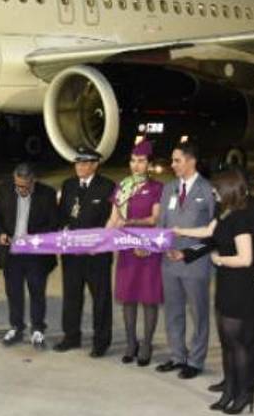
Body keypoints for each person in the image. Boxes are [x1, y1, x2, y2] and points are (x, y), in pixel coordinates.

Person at [178, 170, 254, 403]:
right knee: (230, 341)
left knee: (247, 341)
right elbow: (213, 237)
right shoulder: (225, 208)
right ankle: (231, 384)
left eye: (216, 190)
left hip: (248, 282)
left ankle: (248, 387)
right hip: (228, 280)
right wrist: (186, 252)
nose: (213, 195)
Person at [155, 141, 216, 380]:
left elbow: (214, 234)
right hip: (170, 262)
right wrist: (162, 247)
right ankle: (178, 356)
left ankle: (196, 360)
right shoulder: (169, 188)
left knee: (199, 313)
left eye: (177, 160)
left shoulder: (207, 190)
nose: (172, 165)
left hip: (196, 263)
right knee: (173, 311)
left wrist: (190, 252)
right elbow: (162, 224)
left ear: (191, 161)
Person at [54, 146, 117, 357]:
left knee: (100, 298)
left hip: (96, 254)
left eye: (84, 163)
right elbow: (61, 214)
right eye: (77, 163)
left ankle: (101, 342)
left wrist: (99, 242)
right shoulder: (68, 185)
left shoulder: (107, 186)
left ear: (94, 165)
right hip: (72, 253)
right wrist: (62, 229)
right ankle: (71, 336)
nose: (79, 167)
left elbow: (112, 219)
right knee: (71, 296)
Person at [105, 139, 164, 366]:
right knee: (128, 297)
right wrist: (98, 241)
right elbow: (113, 219)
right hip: (127, 248)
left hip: (148, 248)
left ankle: (147, 344)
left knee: (149, 299)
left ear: (149, 164)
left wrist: (131, 222)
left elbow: (155, 219)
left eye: (141, 161)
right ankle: (131, 343)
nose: (136, 165)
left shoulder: (157, 188)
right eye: (133, 161)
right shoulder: (123, 187)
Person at [0, 162, 59, 349]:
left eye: (25, 186)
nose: (21, 190)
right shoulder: (5, 190)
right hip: (12, 253)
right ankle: (16, 326)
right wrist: (0, 234)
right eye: (18, 186)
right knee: (14, 292)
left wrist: (35, 239)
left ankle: (38, 329)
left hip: (36, 254)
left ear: (33, 181)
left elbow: (54, 223)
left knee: (37, 291)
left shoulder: (47, 194)